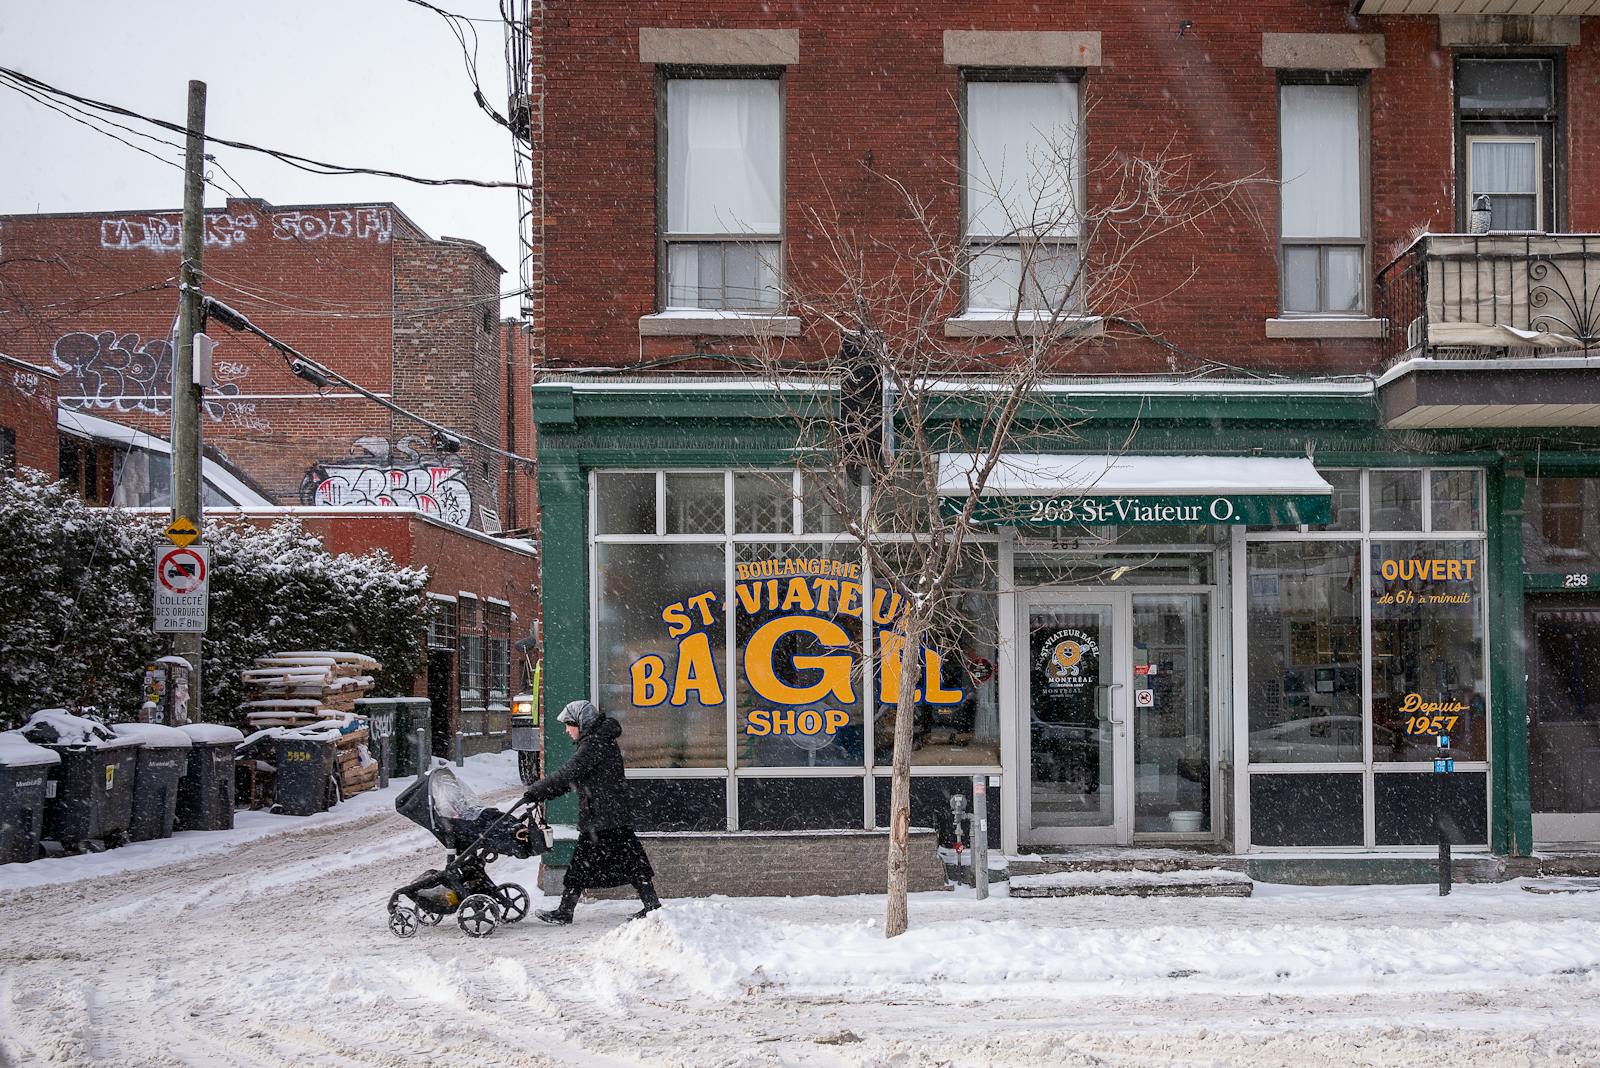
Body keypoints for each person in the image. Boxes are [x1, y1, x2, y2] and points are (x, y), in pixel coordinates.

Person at [524, 699, 661, 924]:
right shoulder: (600, 740)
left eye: (569, 725)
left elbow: (568, 773)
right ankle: (652, 904)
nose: (567, 730)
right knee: (633, 862)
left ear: (581, 722)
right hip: (610, 815)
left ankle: (565, 911)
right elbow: (573, 779)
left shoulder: (595, 744)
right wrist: (544, 793)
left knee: (582, 865)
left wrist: (536, 790)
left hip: (602, 817)